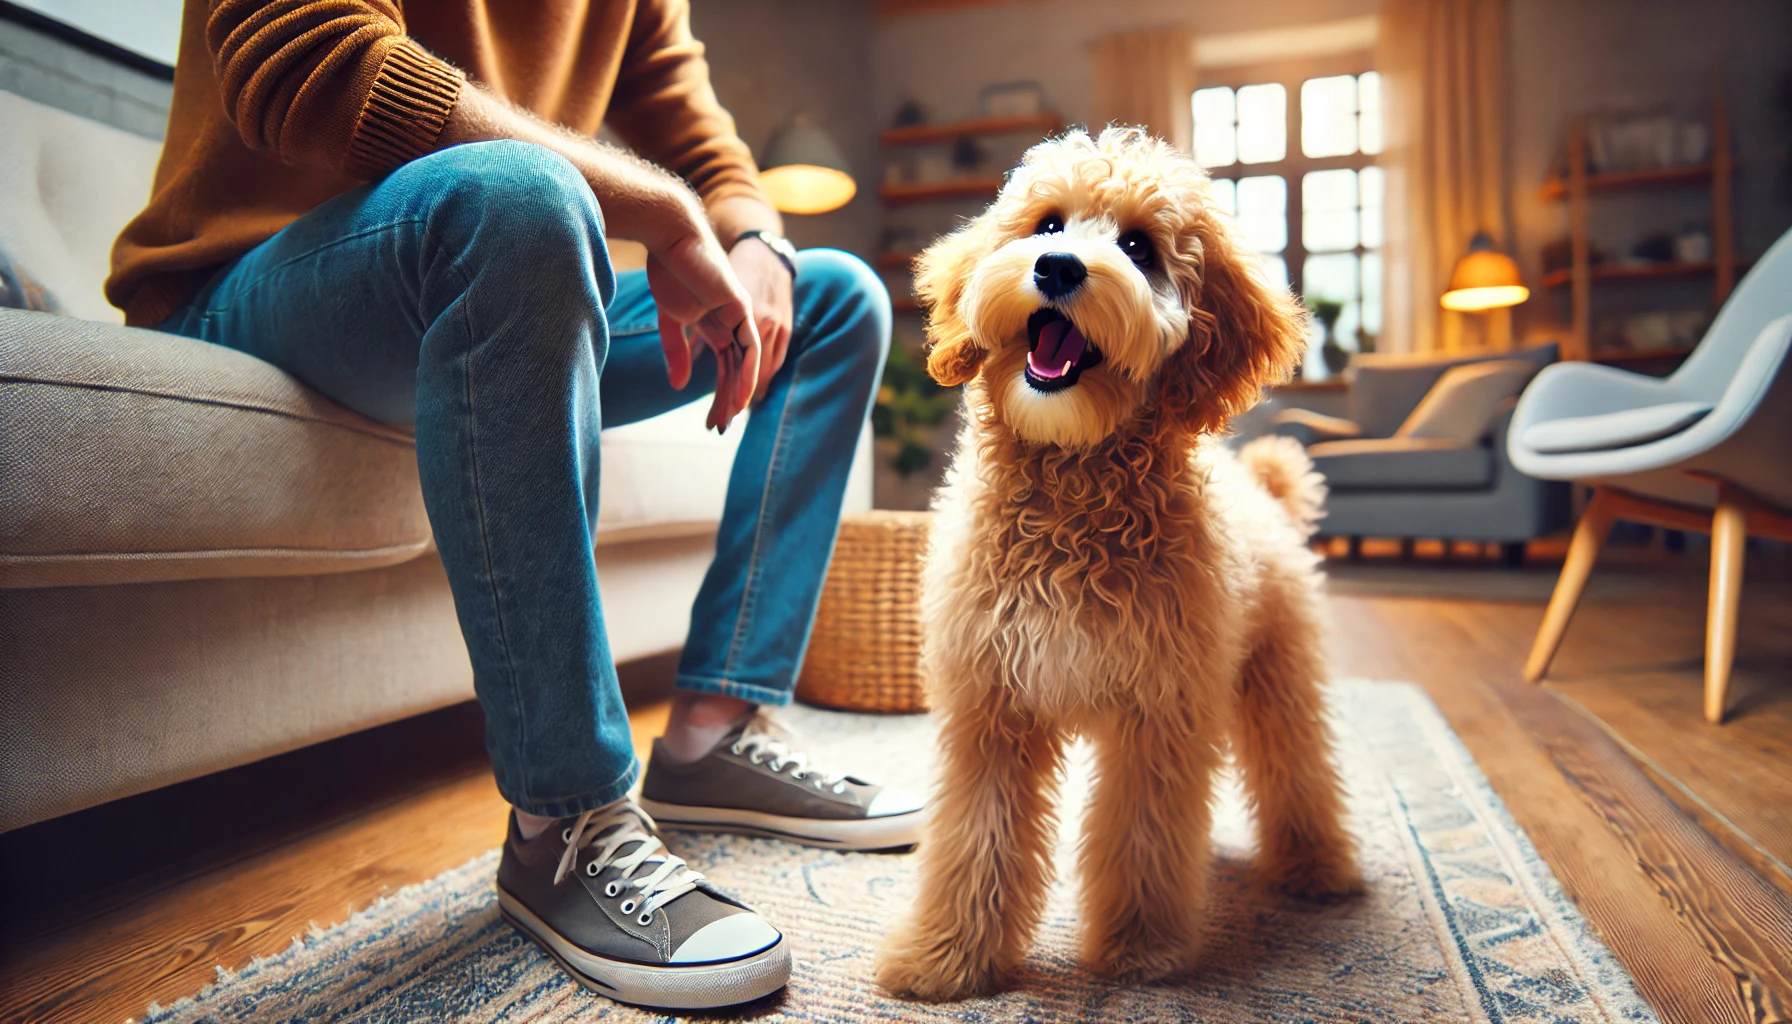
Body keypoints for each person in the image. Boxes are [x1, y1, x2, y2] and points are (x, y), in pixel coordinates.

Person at [107, 0, 921, 1009]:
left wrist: (753, 238)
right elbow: (314, 67)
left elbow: (703, 140)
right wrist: (661, 210)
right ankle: (561, 817)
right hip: (257, 283)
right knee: (529, 200)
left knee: (832, 295)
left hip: (491, 256)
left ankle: (716, 730)